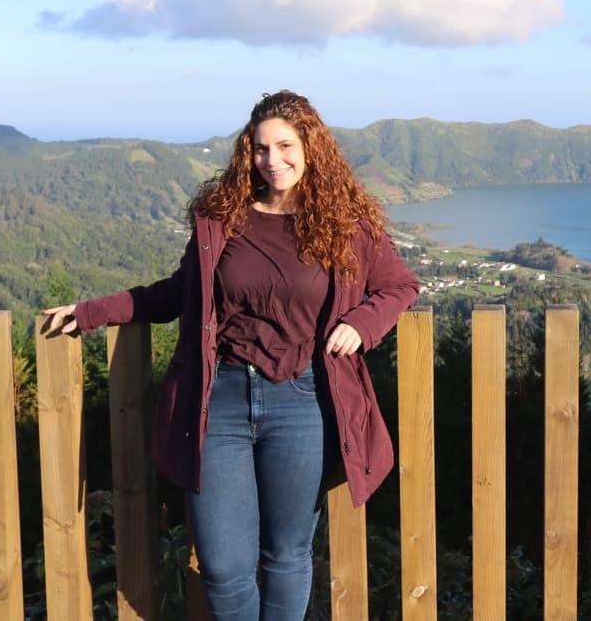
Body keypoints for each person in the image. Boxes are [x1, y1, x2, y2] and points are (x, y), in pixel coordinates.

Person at [44, 90, 420, 619]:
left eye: (285, 145)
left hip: (303, 399)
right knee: (223, 567)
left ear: (311, 146)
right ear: (249, 151)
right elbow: (178, 293)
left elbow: (399, 286)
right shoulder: (222, 219)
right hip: (218, 398)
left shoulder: (345, 223)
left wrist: (361, 324)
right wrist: (91, 311)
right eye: (261, 148)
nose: (273, 160)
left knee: (286, 555)